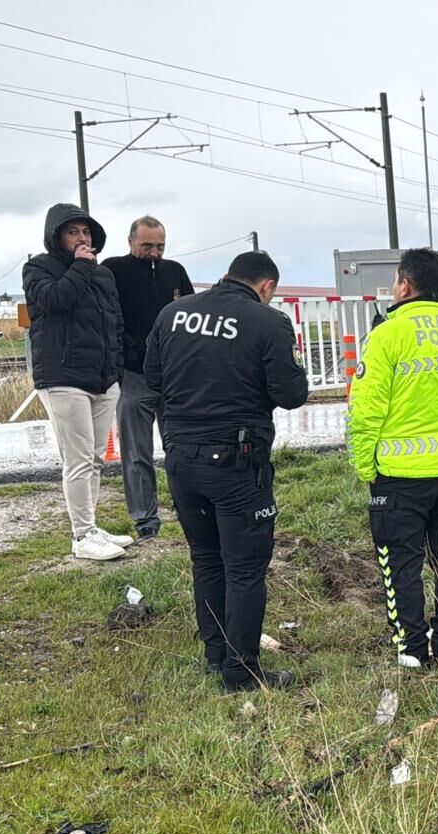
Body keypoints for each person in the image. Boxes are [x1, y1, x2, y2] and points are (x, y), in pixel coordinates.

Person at [146, 250, 308, 692]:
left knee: (206, 559)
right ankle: (241, 672)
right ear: (266, 287)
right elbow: (290, 394)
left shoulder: (173, 314)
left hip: (181, 459)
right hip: (238, 465)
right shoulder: (267, 322)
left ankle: (216, 656)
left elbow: (153, 379)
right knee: (244, 569)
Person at [347, 248, 438, 670]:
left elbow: (364, 410)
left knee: (401, 562)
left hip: (399, 476)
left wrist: (365, 467)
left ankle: (410, 646)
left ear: (404, 285)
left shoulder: (387, 336)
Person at [23, 203, 132, 562]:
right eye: (73, 232)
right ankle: (81, 535)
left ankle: (91, 525)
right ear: (56, 236)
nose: (82, 238)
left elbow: (114, 322)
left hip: (102, 378)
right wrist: (82, 265)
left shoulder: (102, 275)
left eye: (86, 232)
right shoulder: (38, 268)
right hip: (63, 376)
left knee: (97, 457)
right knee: (78, 458)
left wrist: (115, 368)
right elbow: (56, 300)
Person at [102, 216, 194, 542]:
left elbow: (189, 317)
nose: (154, 253)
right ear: (130, 242)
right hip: (134, 375)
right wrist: (123, 358)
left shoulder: (175, 272)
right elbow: (107, 319)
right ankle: (146, 523)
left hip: (174, 377)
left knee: (183, 449)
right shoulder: (113, 270)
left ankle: (191, 513)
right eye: (147, 246)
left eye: (160, 246)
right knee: (136, 453)